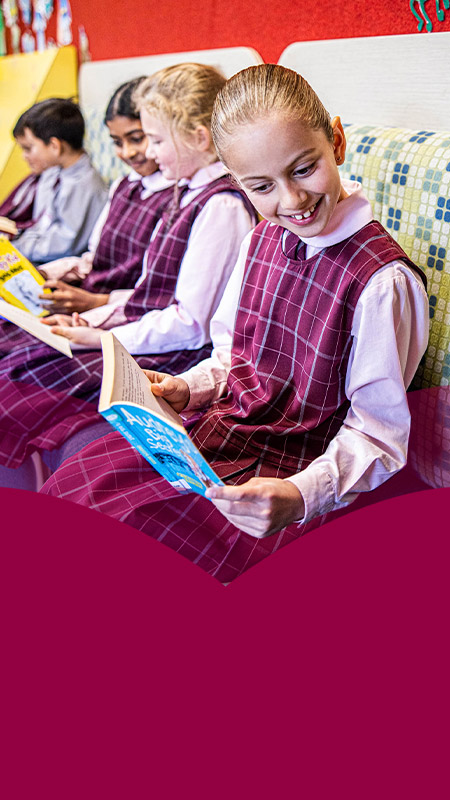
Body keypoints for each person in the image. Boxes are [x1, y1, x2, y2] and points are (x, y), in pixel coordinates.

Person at [41, 64, 430, 583]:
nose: (291, 201)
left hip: (299, 472)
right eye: (262, 186)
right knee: (79, 490)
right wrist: (189, 387)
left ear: (335, 141)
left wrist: (299, 495)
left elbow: (378, 435)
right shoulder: (260, 239)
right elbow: (232, 357)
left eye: (304, 168)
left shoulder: (382, 282)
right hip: (227, 433)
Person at [0, 63, 256, 475]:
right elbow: (146, 292)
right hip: (144, 330)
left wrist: (99, 334)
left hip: (176, 352)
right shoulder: (185, 191)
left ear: (198, 137)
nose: (148, 154)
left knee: (24, 372)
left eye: (153, 139)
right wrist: (94, 320)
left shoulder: (222, 206)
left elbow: (190, 324)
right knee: (23, 354)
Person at [39, 77, 175, 314]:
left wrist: (94, 303)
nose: (127, 152)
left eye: (136, 138)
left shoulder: (177, 199)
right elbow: (94, 258)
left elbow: (159, 293)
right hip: (91, 298)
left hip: (127, 312)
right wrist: (47, 273)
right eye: (117, 142)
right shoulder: (123, 186)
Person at [9, 97, 108, 264]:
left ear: (55, 146)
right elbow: (42, 225)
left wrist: (16, 247)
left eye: (28, 148)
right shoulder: (52, 173)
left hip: (56, 265)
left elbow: (63, 246)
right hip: (34, 253)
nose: (24, 156)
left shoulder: (84, 185)